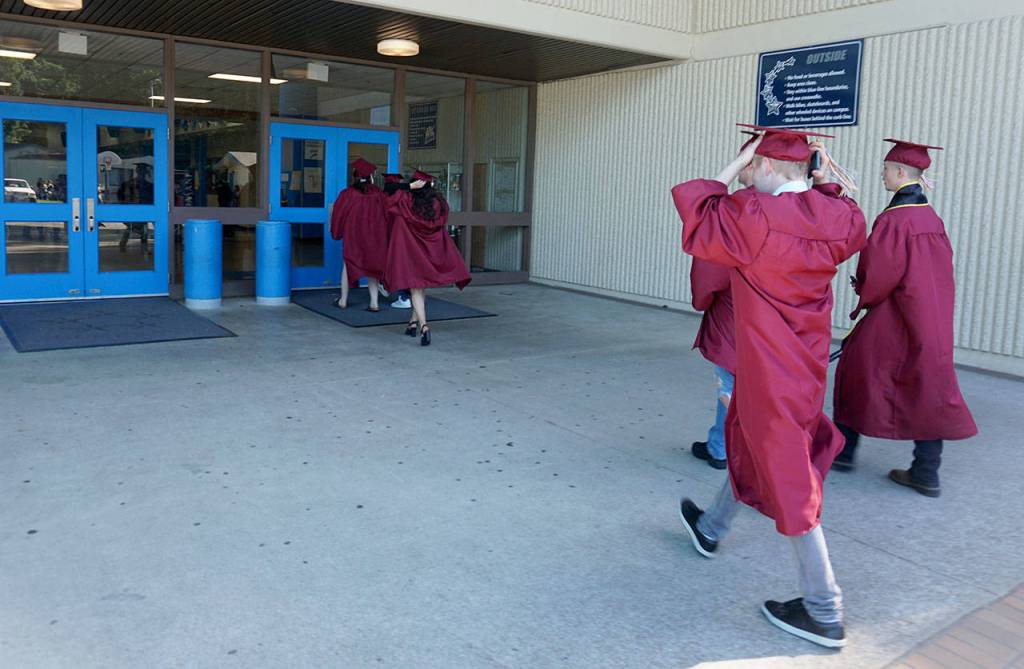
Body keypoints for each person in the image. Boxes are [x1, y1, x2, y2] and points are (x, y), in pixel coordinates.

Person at [672, 124, 867, 648]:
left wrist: (734, 165)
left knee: (787, 472)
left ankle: (824, 608)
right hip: (804, 368)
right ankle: (711, 527)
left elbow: (701, 217)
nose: (746, 177)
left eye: (753, 167)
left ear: (766, 167)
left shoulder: (753, 216)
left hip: (767, 366)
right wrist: (819, 179)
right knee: (754, 441)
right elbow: (848, 217)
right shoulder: (838, 216)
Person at [831, 139, 977, 497]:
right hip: (932, 320)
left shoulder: (894, 220)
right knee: (930, 387)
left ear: (900, 173)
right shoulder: (931, 219)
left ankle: (844, 453)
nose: (881, 174)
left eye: (885, 169)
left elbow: (879, 276)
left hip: (894, 316)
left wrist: (862, 291)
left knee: (855, 373)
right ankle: (926, 473)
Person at [689, 131, 756, 470]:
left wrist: (702, 300)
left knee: (731, 381)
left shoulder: (735, 211)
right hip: (783, 320)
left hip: (737, 313)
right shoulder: (803, 210)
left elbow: (710, 269)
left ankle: (721, 447)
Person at [384, 170, 471, 346]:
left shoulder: (405, 201)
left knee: (416, 289)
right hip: (430, 253)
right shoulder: (439, 203)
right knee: (421, 289)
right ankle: (412, 323)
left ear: (415, 185)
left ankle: (424, 326)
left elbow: (387, 192)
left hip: (412, 254)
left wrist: (407, 186)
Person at [329, 158, 388, 312]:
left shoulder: (348, 194)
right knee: (372, 269)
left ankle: (343, 300)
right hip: (374, 238)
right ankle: (374, 303)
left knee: (348, 265)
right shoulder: (378, 194)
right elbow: (388, 215)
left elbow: (339, 214)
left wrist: (337, 232)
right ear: (371, 178)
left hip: (354, 237)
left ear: (354, 176)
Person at [382, 173, 412, 310]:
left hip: (390, 238)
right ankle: (402, 294)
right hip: (404, 238)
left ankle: (401, 295)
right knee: (403, 266)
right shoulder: (407, 198)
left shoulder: (385, 199)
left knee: (396, 266)